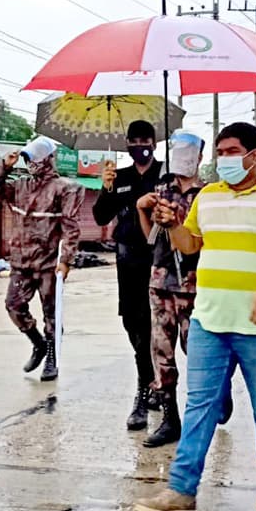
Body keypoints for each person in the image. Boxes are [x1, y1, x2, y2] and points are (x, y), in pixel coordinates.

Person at [134, 122, 256, 511]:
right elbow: (190, 245)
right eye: (220, 152)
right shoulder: (208, 197)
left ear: (254, 155)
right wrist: (173, 223)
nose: (224, 159)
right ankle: (181, 489)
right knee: (200, 404)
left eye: (231, 151)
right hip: (209, 318)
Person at [0, 136, 84, 382]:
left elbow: (71, 227)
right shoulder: (20, 186)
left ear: (49, 159)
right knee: (13, 306)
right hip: (21, 261)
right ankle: (38, 344)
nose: (31, 163)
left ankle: (52, 356)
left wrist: (66, 259)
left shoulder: (64, 188)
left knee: (52, 313)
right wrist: (4, 166)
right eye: (28, 158)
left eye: (36, 158)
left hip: (49, 264)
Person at [135, 130, 207, 448]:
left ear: (201, 157)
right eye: (178, 149)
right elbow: (150, 236)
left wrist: (178, 219)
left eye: (189, 151)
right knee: (162, 353)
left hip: (195, 283)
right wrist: (143, 210)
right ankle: (170, 418)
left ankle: (216, 396)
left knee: (199, 351)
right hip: (161, 280)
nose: (182, 156)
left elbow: (201, 241)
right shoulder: (161, 190)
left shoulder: (208, 195)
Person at [94, 120, 164, 431]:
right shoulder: (118, 177)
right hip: (128, 260)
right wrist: (105, 188)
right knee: (134, 323)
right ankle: (147, 383)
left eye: (145, 139)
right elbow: (100, 216)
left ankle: (155, 388)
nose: (140, 145)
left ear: (154, 142)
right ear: (127, 144)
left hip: (160, 258)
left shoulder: (166, 174)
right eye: (133, 140)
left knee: (161, 325)